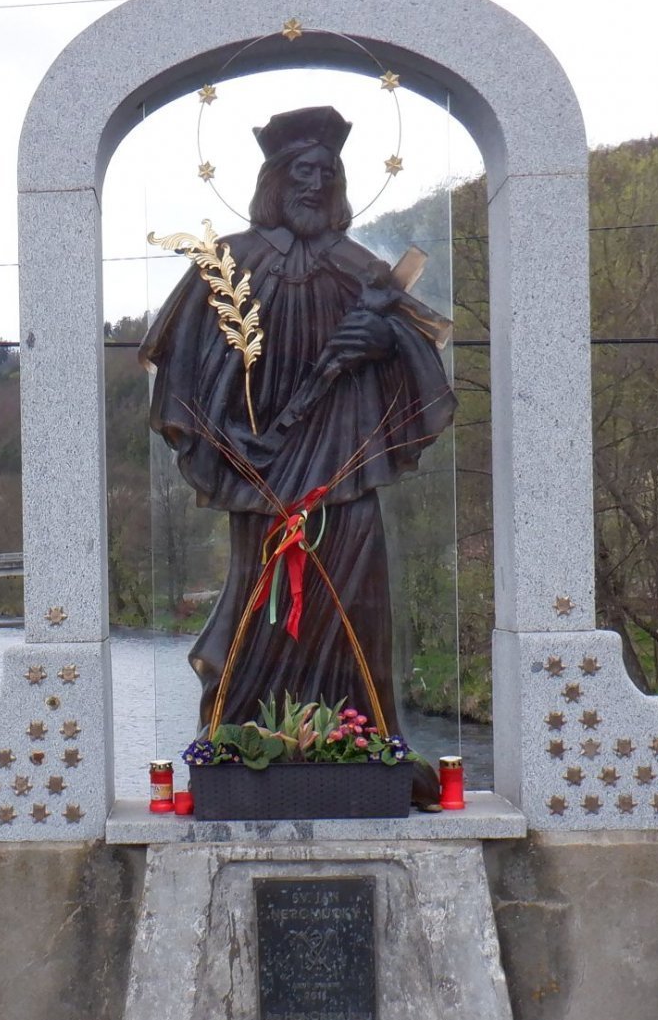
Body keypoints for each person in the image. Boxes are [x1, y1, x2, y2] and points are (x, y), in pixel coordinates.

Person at [140, 105, 456, 767]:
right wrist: (228, 440)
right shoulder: (228, 261)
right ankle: (242, 744)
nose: (314, 183)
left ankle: (358, 743)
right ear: (275, 179)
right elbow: (183, 376)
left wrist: (382, 339)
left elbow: (416, 353)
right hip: (261, 469)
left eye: (327, 172)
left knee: (353, 605)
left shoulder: (357, 266)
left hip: (342, 464)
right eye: (302, 171)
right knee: (263, 605)